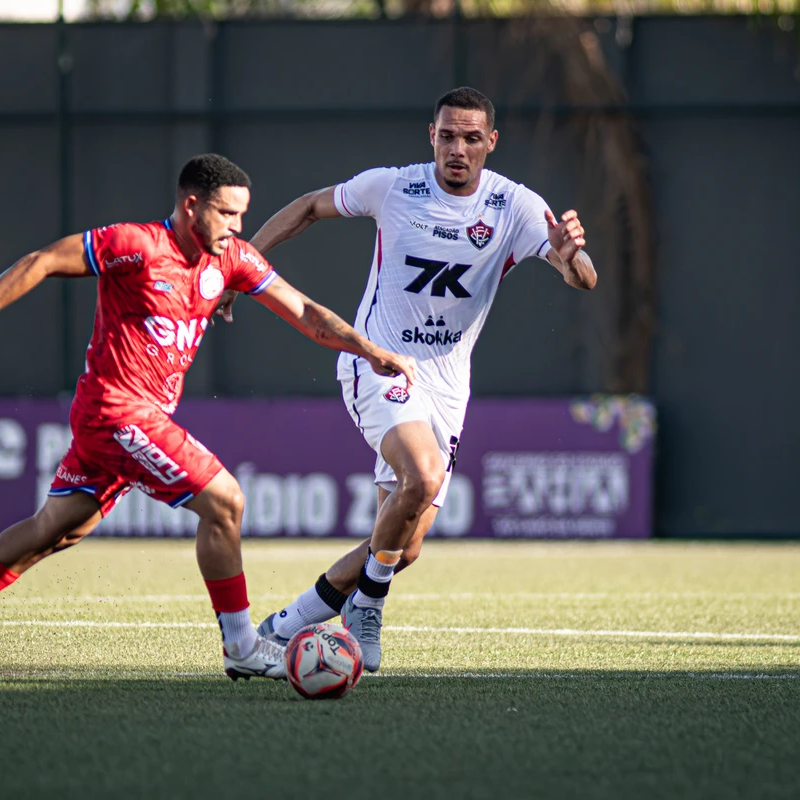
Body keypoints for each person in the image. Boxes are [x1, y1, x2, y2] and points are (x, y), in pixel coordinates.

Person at [0, 154, 416, 687]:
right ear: (190, 205)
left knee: (58, 527)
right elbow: (42, 261)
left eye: (242, 215)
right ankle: (243, 645)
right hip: (116, 411)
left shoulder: (232, 259)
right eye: (226, 214)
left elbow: (306, 313)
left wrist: (369, 350)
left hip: (126, 419)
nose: (237, 226)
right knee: (225, 501)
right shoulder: (137, 245)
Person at [227, 87, 597, 672]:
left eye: (470, 138)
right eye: (447, 136)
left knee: (405, 545)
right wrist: (239, 264)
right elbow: (308, 207)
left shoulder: (516, 206)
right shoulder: (394, 187)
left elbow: (583, 279)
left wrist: (570, 255)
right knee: (421, 476)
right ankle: (367, 606)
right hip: (378, 361)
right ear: (432, 136)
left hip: (447, 386)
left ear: (491, 142)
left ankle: (285, 625)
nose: (457, 149)